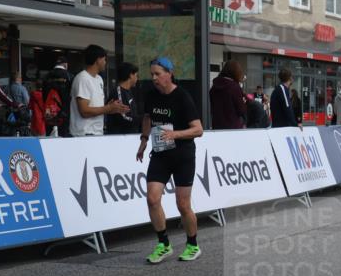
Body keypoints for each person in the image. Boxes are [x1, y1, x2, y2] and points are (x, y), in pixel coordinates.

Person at [136, 57, 203, 264]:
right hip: (160, 155)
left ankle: (192, 245)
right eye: (152, 74)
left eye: (158, 74)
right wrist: (144, 140)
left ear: (169, 73)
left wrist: (175, 135)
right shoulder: (151, 95)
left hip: (183, 156)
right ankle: (163, 244)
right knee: (152, 199)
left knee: (183, 205)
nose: (154, 78)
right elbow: (147, 118)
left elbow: (198, 130)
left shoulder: (182, 97)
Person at [70, 45, 127, 137]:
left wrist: (112, 108)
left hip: (97, 133)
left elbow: (97, 108)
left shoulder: (99, 79)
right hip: (84, 133)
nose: (105, 63)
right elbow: (84, 111)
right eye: (104, 59)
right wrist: (107, 108)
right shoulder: (82, 78)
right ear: (98, 60)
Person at [209, 60, 247, 129]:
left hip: (217, 126)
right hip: (233, 128)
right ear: (236, 72)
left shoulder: (214, 87)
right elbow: (241, 110)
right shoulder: (234, 87)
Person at [106, 62, 139, 135]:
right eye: (136, 75)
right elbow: (124, 117)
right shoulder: (118, 92)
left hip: (131, 136)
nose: (137, 78)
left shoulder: (129, 91)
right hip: (119, 138)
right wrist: (143, 120)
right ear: (130, 75)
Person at [42, 58, 72, 136]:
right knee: (63, 137)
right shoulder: (68, 75)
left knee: (49, 136)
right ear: (65, 64)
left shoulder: (46, 76)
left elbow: (44, 95)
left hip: (49, 112)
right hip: (64, 113)